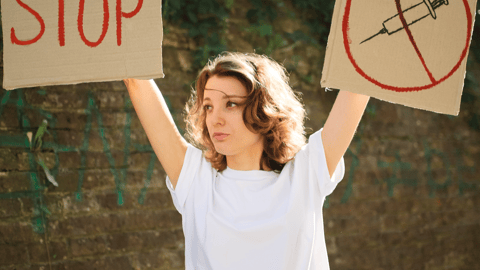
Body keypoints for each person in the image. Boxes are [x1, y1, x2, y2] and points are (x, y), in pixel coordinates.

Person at [124, 52, 370, 269]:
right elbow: (135, 79)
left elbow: (361, 78)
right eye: (208, 107)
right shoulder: (195, 181)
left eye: (230, 104)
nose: (215, 119)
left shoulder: (306, 174)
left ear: (263, 109)